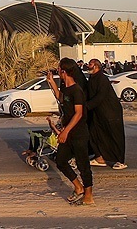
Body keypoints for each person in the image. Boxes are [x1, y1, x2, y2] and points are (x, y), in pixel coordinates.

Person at [46, 58, 94, 205]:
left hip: (78, 132)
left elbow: (78, 113)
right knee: (60, 161)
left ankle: (88, 195)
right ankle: (78, 187)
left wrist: (65, 131)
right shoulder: (66, 88)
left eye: (59, 68)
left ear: (64, 71)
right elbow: (62, 99)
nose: (58, 70)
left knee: (82, 164)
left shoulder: (77, 90)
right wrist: (52, 83)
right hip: (68, 131)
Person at [84, 59, 127, 169]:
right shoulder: (92, 79)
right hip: (98, 112)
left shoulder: (102, 79)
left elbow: (100, 97)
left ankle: (120, 161)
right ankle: (100, 158)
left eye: (90, 64)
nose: (88, 66)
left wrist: (86, 106)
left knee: (114, 136)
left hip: (110, 112)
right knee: (94, 133)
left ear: (96, 66)